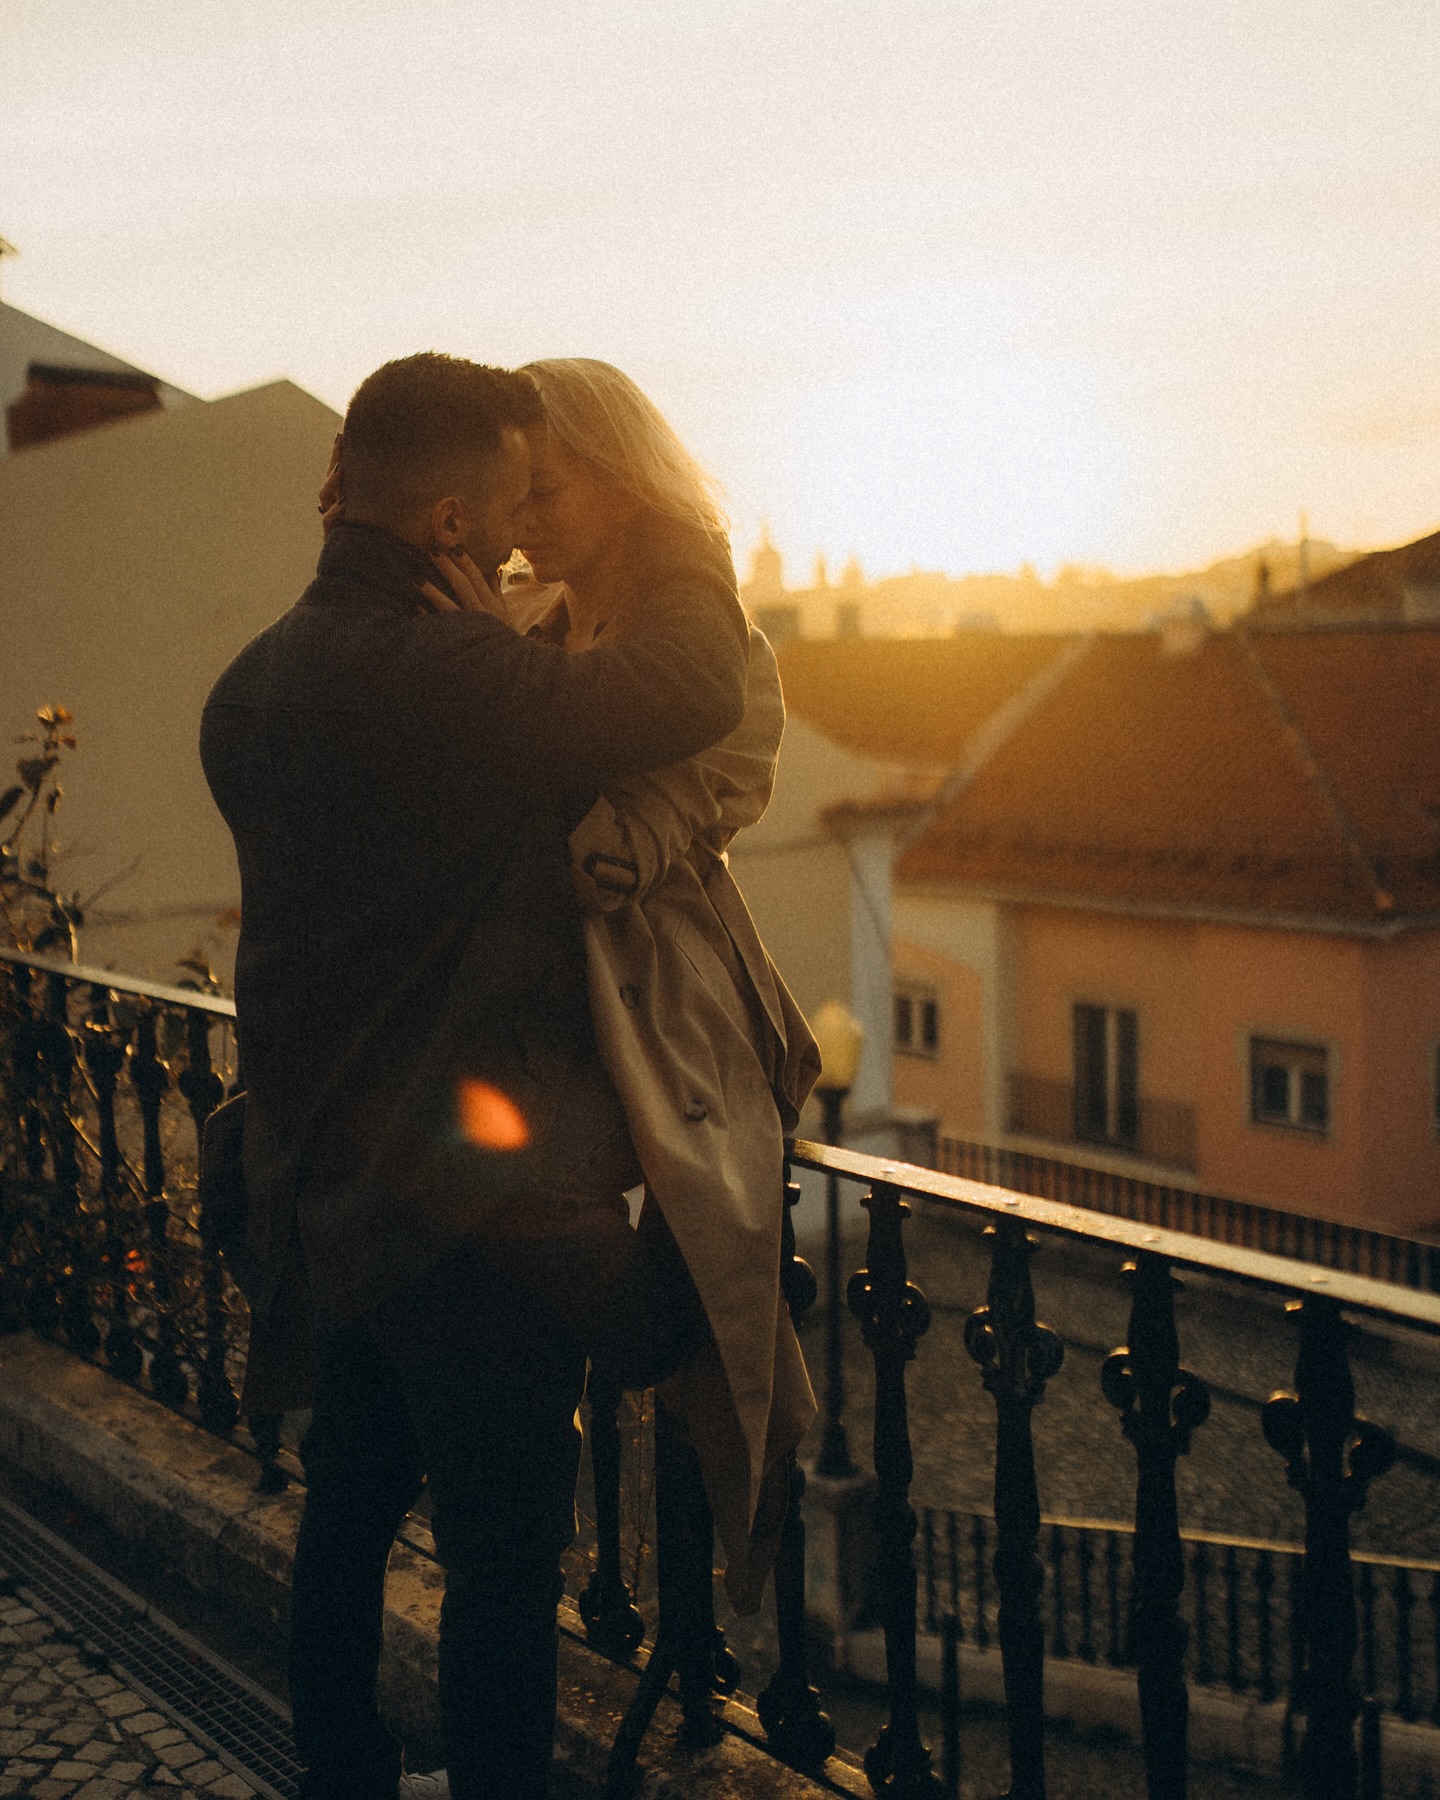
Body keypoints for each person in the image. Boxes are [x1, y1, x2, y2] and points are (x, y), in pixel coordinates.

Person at [199, 352, 750, 1800]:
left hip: (325, 1194)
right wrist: (680, 520)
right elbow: (691, 682)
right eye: (504, 509)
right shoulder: (451, 676)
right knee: (503, 1568)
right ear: (447, 522)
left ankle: (341, 1778)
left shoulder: (248, 687)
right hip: (463, 1227)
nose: (518, 538)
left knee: (350, 1515)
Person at [431, 357, 819, 1609]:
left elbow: (729, 763)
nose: (524, 520)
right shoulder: (542, 628)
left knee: (700, 1277)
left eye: (548, 491)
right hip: (569, 1002)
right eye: (514, 495)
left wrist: (610, 839)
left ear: (625, 481)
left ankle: (729, 1546)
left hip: (664, 998)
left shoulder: (703, 632)